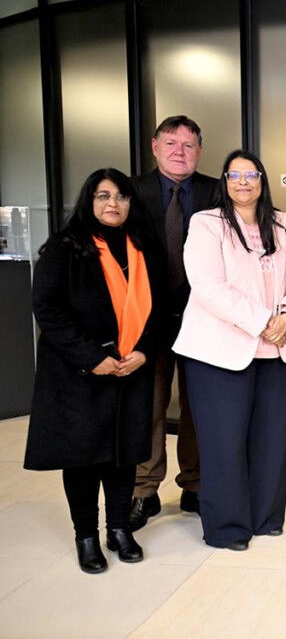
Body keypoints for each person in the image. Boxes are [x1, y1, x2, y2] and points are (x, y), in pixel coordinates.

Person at [24, 169, 159, 573]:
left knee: (122, 456)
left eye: (120, 196)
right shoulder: (67, 247)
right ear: (89, 200)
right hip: (78, 374)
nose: (112, 204)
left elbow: (162, 308)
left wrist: (145, 350)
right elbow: (47, 309)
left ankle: (118, 529)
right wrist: (90, 356)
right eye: (103, 196)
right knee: (83, 459)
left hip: (130, 368)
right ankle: (86, 536)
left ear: (131, 202)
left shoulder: (143, 247)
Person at [172, 149, 286, 550]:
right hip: (219, 351)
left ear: (263, 180)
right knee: (223, 442)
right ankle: (228, 527)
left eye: (252, 174)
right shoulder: (206, 224)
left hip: (276, 349)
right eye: (235, 175)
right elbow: (209, 287)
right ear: (224, 182)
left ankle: (266, 517)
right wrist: (265, 322)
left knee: (270, 439)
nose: (244, 182)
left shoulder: (285, 224)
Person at [129, 116, 218, 531]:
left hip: (205, 319)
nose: (179, 151)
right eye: (171, 143)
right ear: (154, 146)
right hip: (148, 322)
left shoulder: (215, 191)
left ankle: (195, 485)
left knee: (198, 407)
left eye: (188, 144)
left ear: (199, 150)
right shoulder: (131, 193)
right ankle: (144, 491)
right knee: (150, 406)